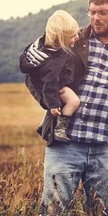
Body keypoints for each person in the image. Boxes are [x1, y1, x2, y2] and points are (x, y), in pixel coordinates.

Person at [19, 0, 108, 216]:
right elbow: (32, 74)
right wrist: (50, 102)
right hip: (66, 144)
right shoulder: (72, 40)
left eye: (103, 12)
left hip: (106, 147)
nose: (96, 17)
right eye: (92, 12)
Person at [21, 10, 81, 144]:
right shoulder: (54, 60)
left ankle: (44, 126)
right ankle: (60, 129)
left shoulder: (40, 46)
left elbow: (24, 62)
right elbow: (50, 82)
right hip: (53, 86)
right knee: (73, 101)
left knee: (58, 103)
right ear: (60, 37)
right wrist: (52, 104)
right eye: (72, 36)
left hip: (49, 84)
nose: (77, 37)